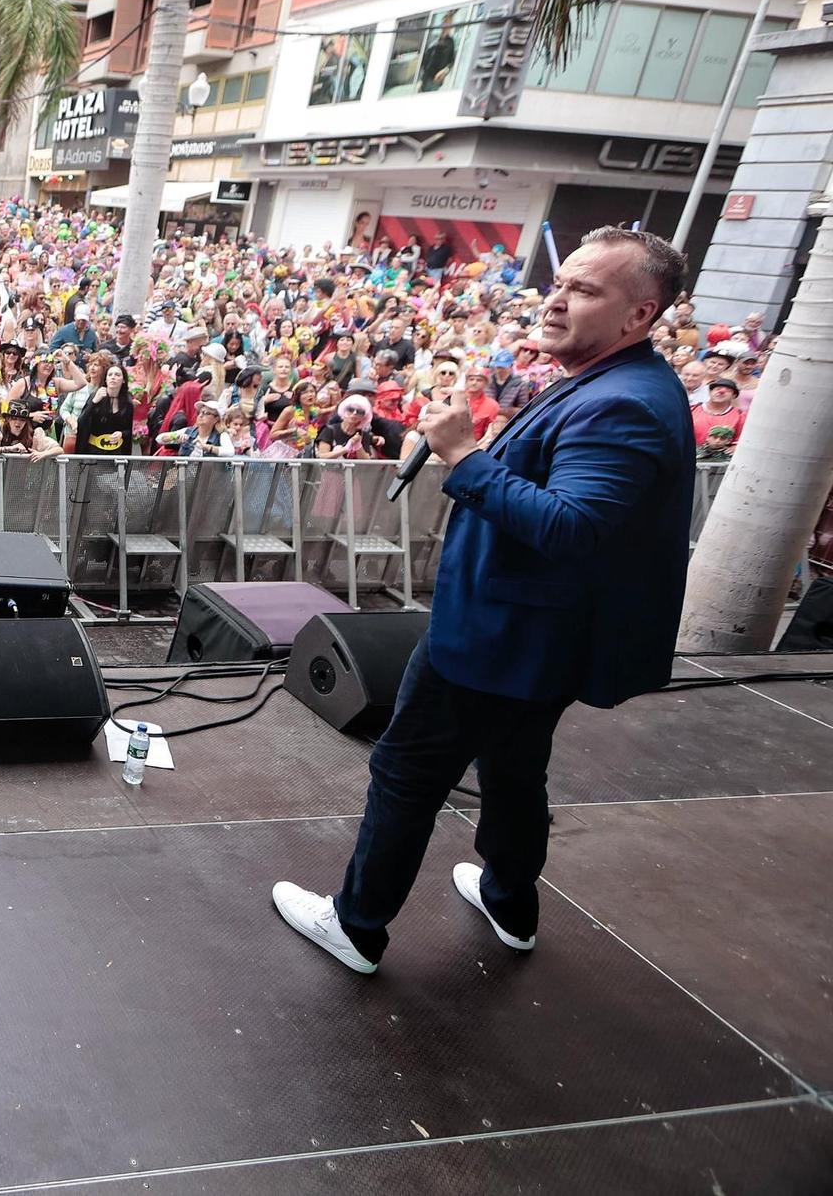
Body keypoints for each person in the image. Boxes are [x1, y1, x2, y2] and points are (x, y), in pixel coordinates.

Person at [272, 227, 696, 975]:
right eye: (560, 281)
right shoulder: (610, 380)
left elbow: (572, 527)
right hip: (535, 637)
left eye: (587, 290)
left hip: (499, 637)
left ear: (640, 314)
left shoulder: (623, 405)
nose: (558, 299)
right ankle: (509, 900)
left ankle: (357, 923)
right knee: (512, 770)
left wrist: (465, 454)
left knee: (406, 771)